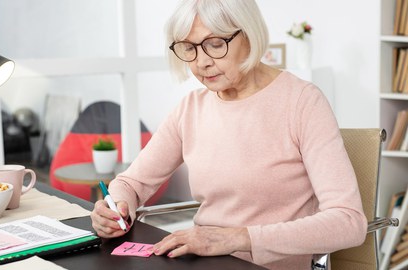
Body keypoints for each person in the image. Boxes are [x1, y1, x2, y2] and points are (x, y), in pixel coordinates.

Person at [91, 0, 367, 269]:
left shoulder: (302, 102)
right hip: (203, 262)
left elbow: (347, 221)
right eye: (189, 48)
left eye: (214, 44)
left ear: (249, 35)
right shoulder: (191, 108)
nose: (201, 62)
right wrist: (116, 207)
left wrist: (237, 238)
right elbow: (132, 182)